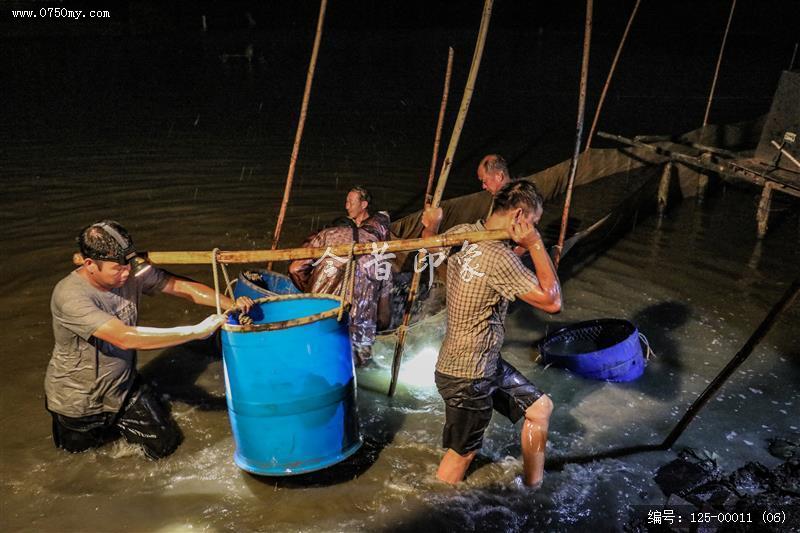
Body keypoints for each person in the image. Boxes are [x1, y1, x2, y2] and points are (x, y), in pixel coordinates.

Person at [44, 220, 253, 460]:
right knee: (81, 463)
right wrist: (195, 331)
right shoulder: (69, 296)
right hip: (77, 402)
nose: (127, 274)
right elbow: (125, 338)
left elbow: (178, 285)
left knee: (166, 446)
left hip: (124, 388)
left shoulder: (130, 270)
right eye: (117, 269)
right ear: (90, 265)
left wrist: (231, 303)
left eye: (129, 266)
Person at [423, 180, 561, 488]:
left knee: (540, 409)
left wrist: (432, 225)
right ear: (519, 216)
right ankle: (431, 508)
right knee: (463, 454)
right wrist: (537, 244)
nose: (533, 230)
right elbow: (553, 302)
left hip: (476, 363)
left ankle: (532, 488)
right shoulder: (501, 259)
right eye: (533, 223)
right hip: (468, 376)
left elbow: (429, 246)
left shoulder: (463, 233)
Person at [288, 210, 392, 366]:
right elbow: (384, 319)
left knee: (313, 361)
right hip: (360, 340)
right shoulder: (381, 254)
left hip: (321, 326)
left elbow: (295, 269)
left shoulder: (326, 235)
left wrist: (308, 291)